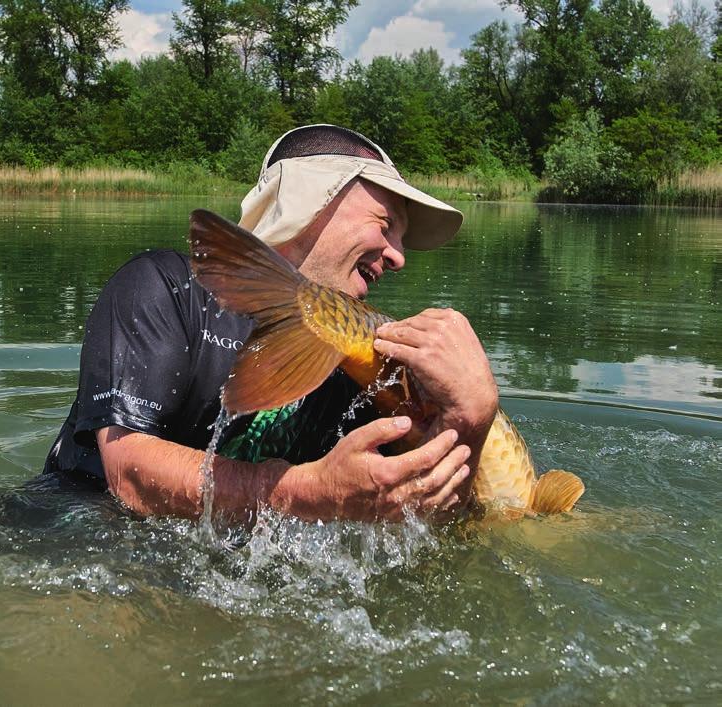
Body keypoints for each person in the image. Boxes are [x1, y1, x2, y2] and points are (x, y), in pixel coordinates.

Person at [43, 125, 498, 524]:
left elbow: (424, 521)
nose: (399, 256)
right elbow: (127, 472)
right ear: (311, 201)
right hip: (71, 548)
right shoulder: (164, 286)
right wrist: (302, 494)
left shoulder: (360, 368)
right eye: (386, 223)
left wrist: (471, 417)